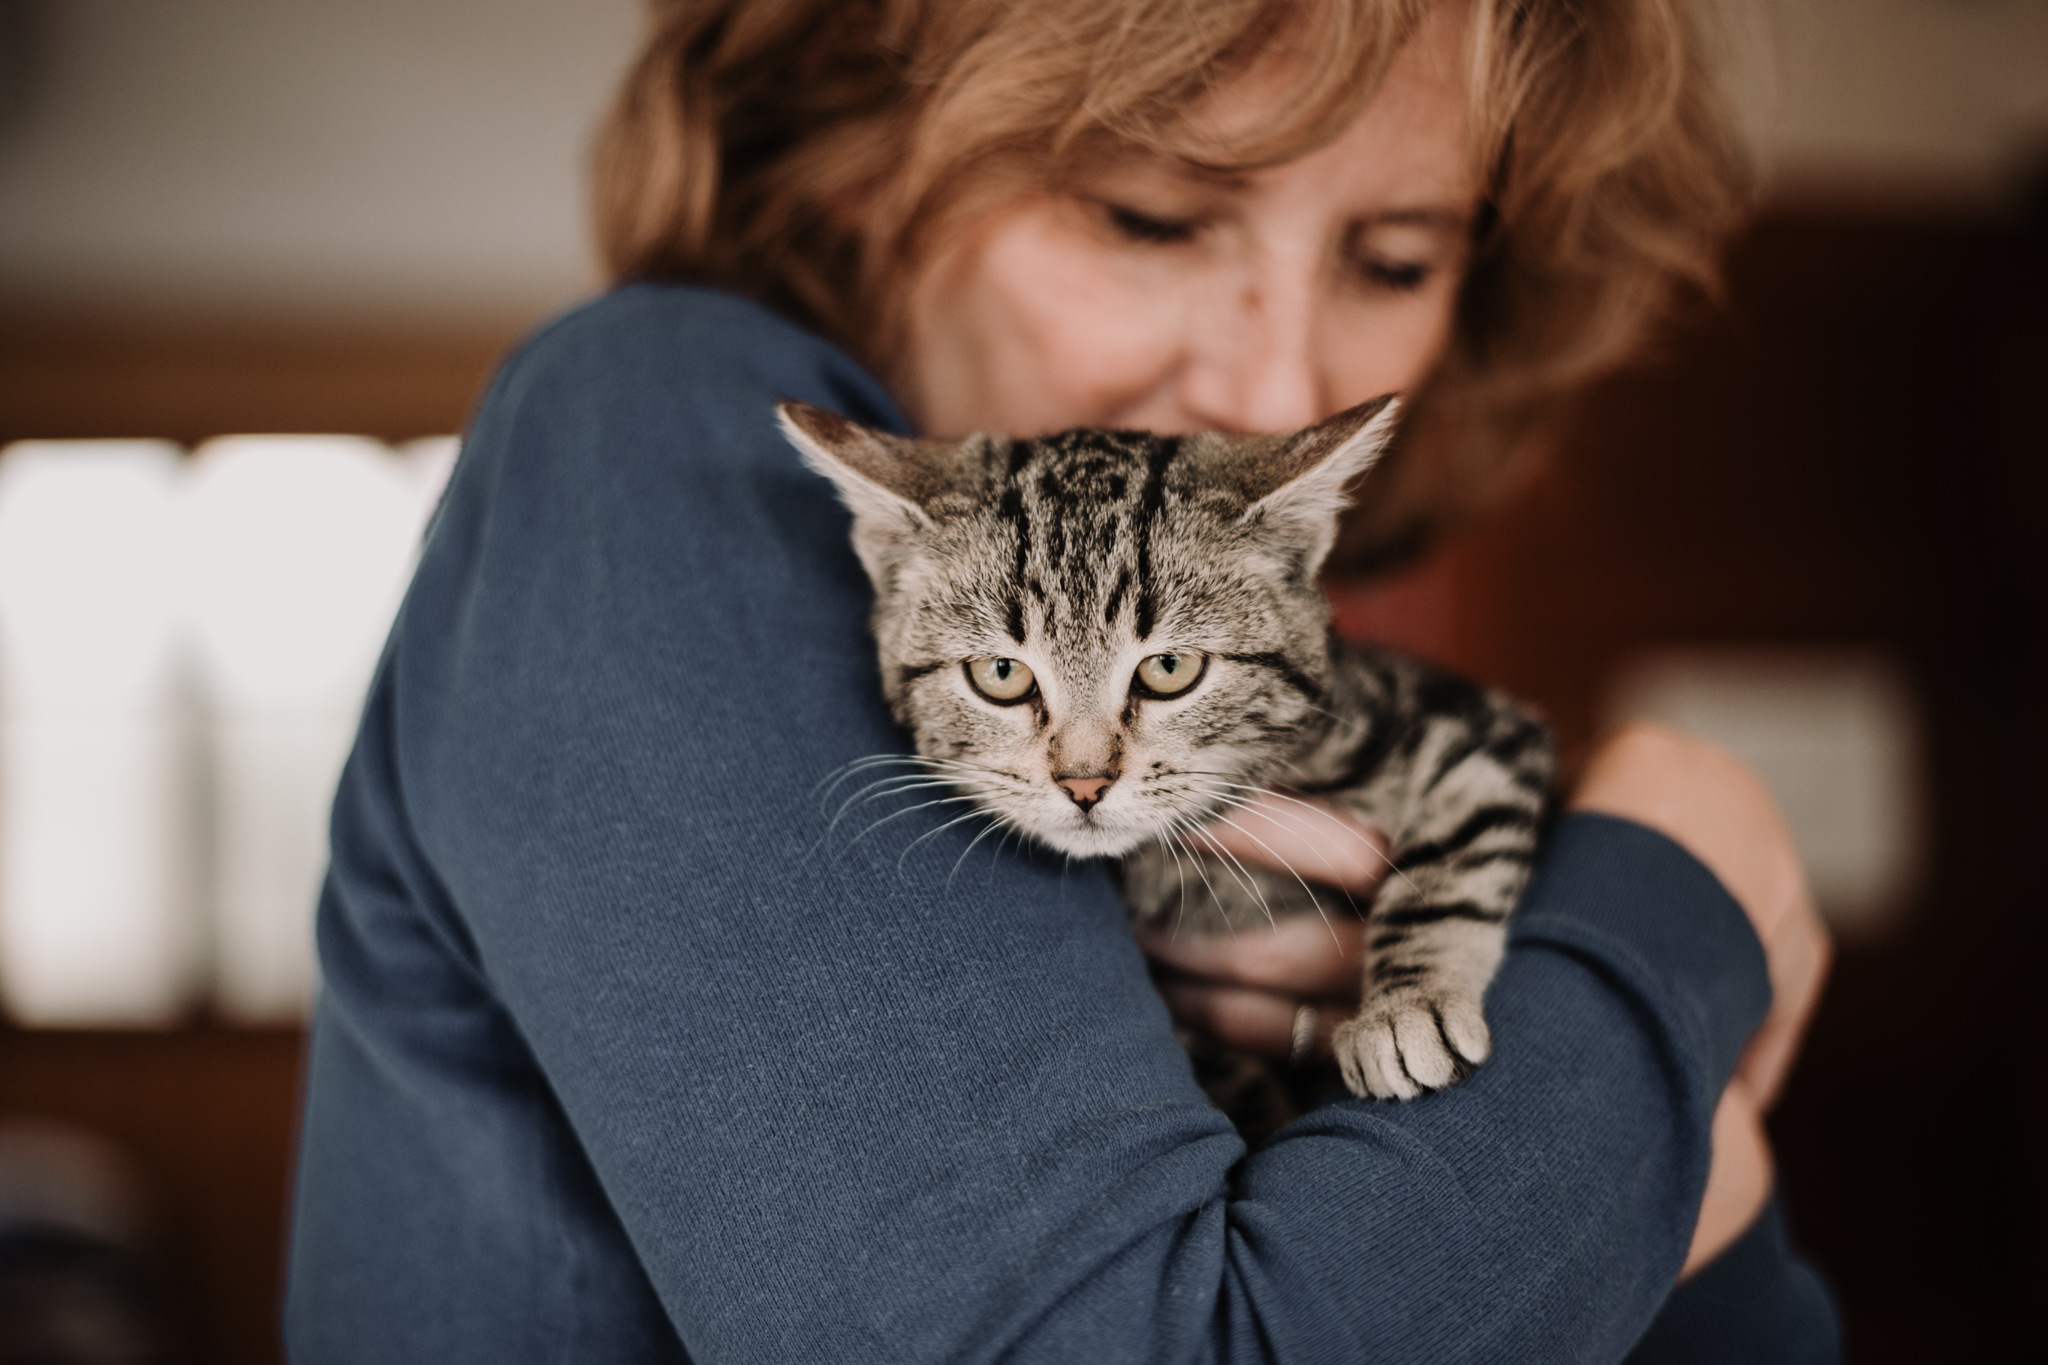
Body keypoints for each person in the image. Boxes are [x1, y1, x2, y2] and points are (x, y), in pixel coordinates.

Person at [286, 0, 1839, 1359]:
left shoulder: (1244, 665)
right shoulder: (656, 431)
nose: (1279, 384)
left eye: (1395, 257)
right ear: (851, 160)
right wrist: (1670, 898)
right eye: (1151, 216)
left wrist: (1667, 1151)